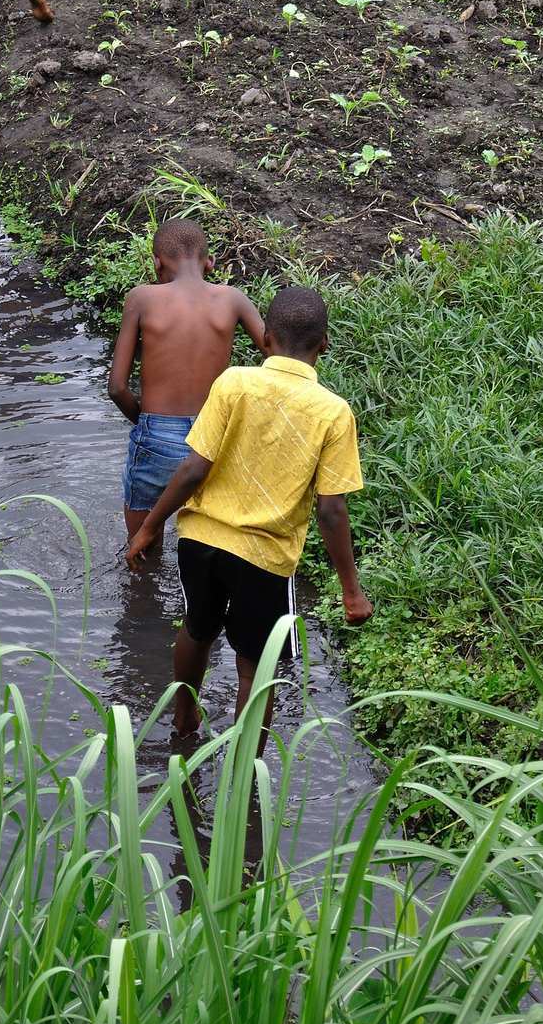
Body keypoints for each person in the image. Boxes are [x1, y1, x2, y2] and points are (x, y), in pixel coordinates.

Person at [125, 284, 373, 754]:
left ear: (266, 338)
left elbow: (193, 467)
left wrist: (151, 525)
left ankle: (184, 717)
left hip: (200, 539)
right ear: (325, 344)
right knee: (255, 665)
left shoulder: (234, 382)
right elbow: (331, 509)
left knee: (196, 629)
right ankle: (244, 773)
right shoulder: (333, 412)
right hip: (265, 555)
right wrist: (350, 589)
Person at [108, 219, 265, 543]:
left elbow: (117, 387)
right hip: (214, 435)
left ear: (157, 263)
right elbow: (279, 352)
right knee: (209, 540)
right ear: (210, 263)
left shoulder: (142, 298)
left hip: (157, 433)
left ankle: (145, 590)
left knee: (142, 546)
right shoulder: (233, 299)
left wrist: (147, 424)